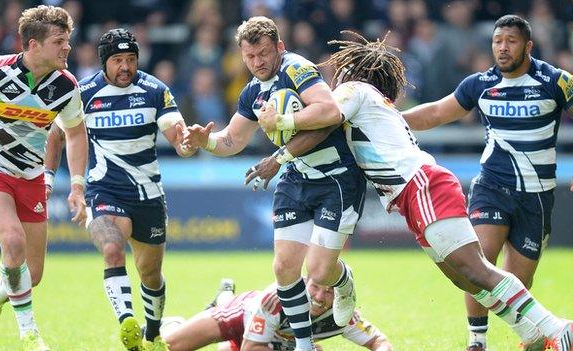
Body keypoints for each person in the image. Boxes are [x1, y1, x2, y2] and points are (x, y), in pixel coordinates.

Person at [245, 30, 573, 351]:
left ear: (353, 72)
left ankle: (557, 329)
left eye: (339, 71)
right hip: (415, 195)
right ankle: (530, 334)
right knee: (464, 278)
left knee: (476, 269)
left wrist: (282, 122)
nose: (331, 82)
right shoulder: (375, 104)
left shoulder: (353, 90)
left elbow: (327, 115)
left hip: (422, 186)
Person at [182, 16, 365, 351]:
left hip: (336, 177)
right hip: (297, 177)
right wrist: (205, 141)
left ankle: (344, 279)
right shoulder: (252, 90)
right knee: (284, 267)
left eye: (264, 53)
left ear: (280, 47)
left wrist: (282, 123)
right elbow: (232, 141)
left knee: (320, 270)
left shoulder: (297, 69)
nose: (257, 62)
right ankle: (305, 345)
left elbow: (329, 111)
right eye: (250, 57)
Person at [401, 14, 573, 351]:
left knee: (517, 285)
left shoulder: (556, 82)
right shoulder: (479, 84)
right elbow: (436, 113)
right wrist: (390, 119)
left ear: (528, 45)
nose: (503, 48)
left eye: (510, 41)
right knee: (479, 263)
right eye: (497, 42)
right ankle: (477, 342)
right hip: (492, 187)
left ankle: (532, 335)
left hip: (537, 196)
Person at [44, 28, 196, 351]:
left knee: (150, 273)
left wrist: (187, 143)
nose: (125, 67)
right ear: (104, 63)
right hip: (104, 191)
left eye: (130, 60)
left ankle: (153, 333)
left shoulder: (155, 90)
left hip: (148, 195)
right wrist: (51, 177)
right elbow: (57, 134)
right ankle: (127, 322)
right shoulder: (83, 93)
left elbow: (177, 135)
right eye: (117, 60)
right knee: (112, 248)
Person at [0, 5, 87, 351]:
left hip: (30, 179)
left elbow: (74, 133)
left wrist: (77, 184)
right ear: (33, 45)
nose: (67, 48)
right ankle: (29, 334)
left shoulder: (66, 86)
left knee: (32, 275)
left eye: (67, 41)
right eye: (59, 41)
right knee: (12, 242)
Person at [162, 278, 393, 351]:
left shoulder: (344, 316)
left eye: (329, 292)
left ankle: (224, 296)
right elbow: (250, 349)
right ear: (306, 281)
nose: (320, 297)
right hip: (243, 318)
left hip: (274, 343)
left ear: (342, 297)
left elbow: (379, 341)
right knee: (169, 346)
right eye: (315, 287)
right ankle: (175, 322)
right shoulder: (276, 299)